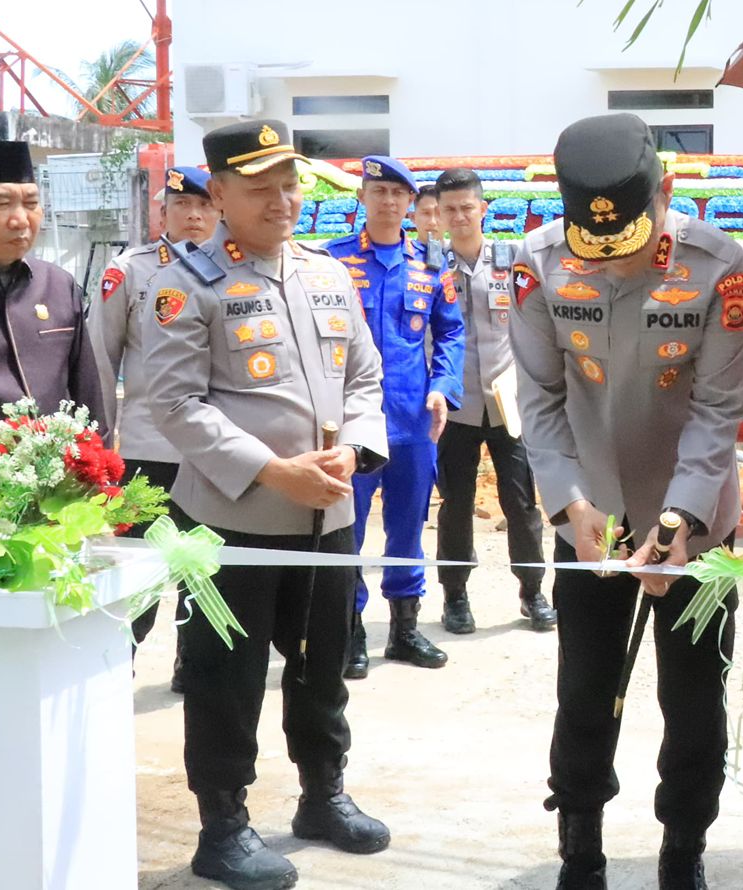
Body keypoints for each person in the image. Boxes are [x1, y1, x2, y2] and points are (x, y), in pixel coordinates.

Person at [144, 119, 391, 890]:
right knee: (229, 674)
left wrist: (352, 449)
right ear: (217, 194)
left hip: (329, 514)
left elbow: (365, 378)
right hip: (233, 522)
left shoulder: (325, 272)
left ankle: (324, 794)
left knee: (321, 670)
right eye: (260, 189)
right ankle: (223, 825)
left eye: (289, 185)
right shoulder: (185, 285)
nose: (282, 201)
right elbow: (175, 403)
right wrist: (273, 471)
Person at [511, 113, 743, 890]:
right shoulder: (538, 264)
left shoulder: (720, 267)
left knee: (693, 701)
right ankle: (579, 846)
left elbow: (718, 413)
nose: (610, 267)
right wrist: (568, 505)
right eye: (593, 248)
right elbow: (540, 399)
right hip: (589, 521)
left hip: (697, 523)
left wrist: (679, 522)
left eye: (628, 246)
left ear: (667, 192)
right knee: (583, 688)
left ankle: (684, 846)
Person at [325, 155, 465, 677]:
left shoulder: (430, 266)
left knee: (407, 529)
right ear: (362, 198)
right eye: (377, 192)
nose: (387, 202)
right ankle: (351, 630)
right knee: (350, 528)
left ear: (411, 204)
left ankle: (405, 631)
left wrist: (443, 388)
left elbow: (451, 332)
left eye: (397, 194)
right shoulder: (333, 263)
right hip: (353, 422)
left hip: (413, 422)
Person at [90, 164, 217, 666]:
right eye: (183, 205)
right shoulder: (131, 270)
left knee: (205, 564)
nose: (194, 215)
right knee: (140, 566)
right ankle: (120, 662)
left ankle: (196, 662)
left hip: (215, 450)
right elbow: (101, 359)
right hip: (150, 445)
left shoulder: (232, 269)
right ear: (163, 210)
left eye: (205, 205)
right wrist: (101, 445)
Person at [430, 167, 556, 633]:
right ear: (439, 214)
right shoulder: (430, 265)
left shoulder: (514, 259)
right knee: (456, 504)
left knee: (521, 502)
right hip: (454, 406)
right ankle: (456, 598)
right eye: (450, 209)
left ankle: (532, 592)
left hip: (509, 405)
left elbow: (541, 323)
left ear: (483, 209)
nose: (459, 216)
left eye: (467, 207)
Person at [0, 140, 111, 432]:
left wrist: (100, 469)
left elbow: (88, 394)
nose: (21, 219)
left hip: (55, 472)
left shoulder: (58, 286)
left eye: (31, 204)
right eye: (2, 203)